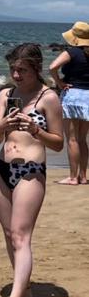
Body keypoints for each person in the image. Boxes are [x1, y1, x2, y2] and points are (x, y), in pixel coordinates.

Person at [0, 44, 63, 297]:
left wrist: (35, 130)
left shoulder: (48, 98)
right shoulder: (6, 95)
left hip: (31, 171)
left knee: (21, 236)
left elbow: (57, 143)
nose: (16, 75)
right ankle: (26, 290)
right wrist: (4, 125)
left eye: (22, 70)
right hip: (1, 169)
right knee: (10, 234)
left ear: (36, 69)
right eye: (13, 70)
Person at [49, 21, 89, 185]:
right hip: (88, 97)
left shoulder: (72, 52)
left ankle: (73, 177)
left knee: (72, 139)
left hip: (73, 96)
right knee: (82, 139)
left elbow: (52, 67)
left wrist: (59, 83)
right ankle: (84, 176)